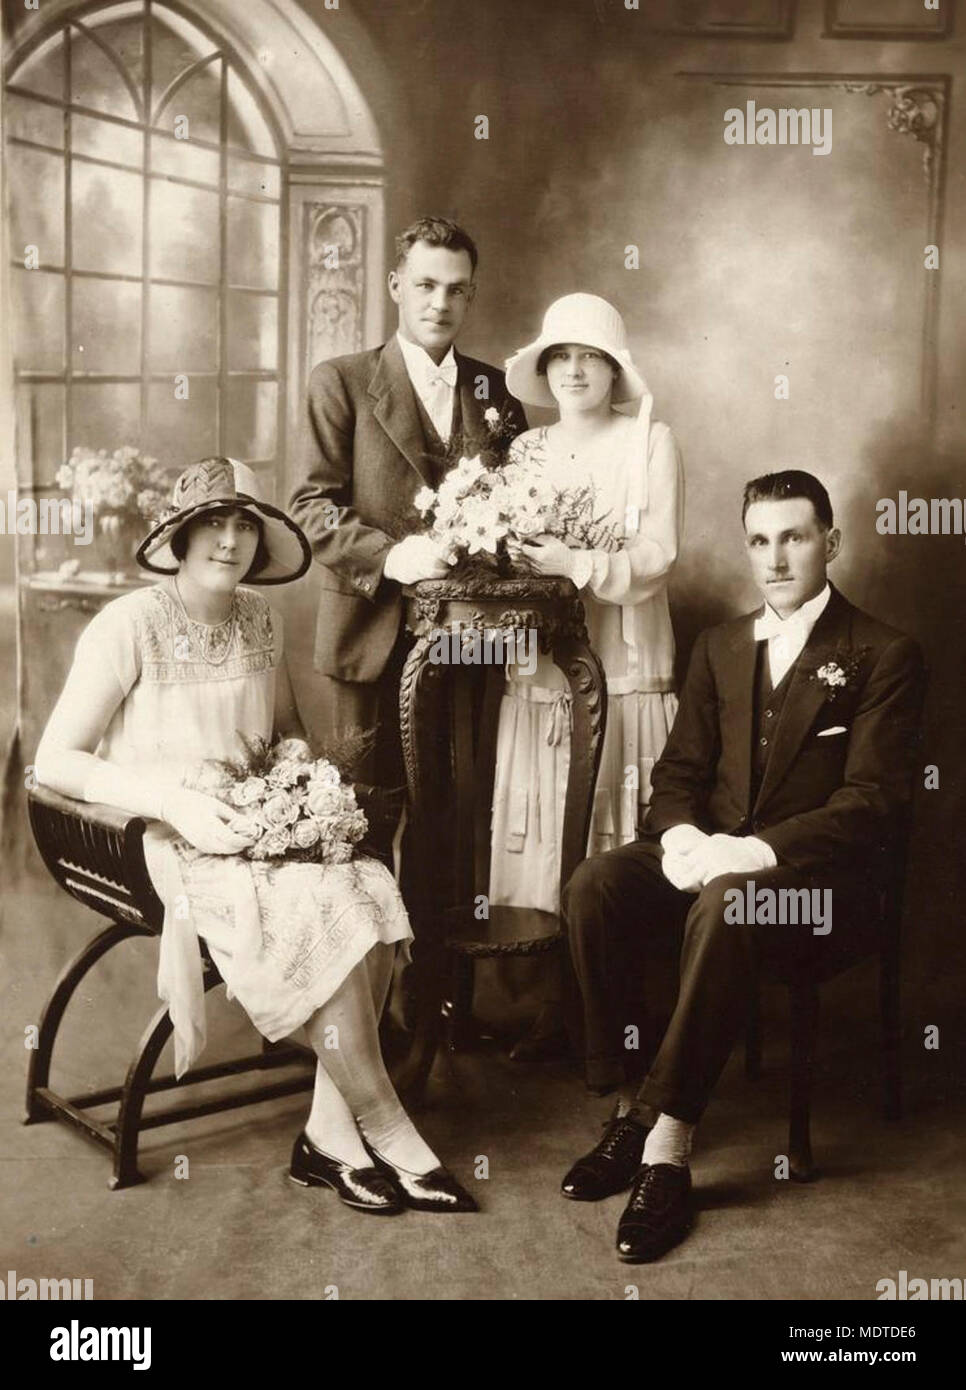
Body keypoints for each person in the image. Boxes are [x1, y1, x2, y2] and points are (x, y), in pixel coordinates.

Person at [34, 457, 477, 1216]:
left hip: (258, 826)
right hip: (160, 836)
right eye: (213, 523)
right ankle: (385, 1125)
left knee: (366, 883)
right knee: (321, 904)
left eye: (245, 525)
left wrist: (303, 789)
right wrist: (171, 798)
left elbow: (287, 734)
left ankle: (327, 1138)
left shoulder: (262, 620)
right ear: (179, 535)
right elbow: (55, 760)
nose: (231, 540)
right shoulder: (128, 625)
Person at [558, 470, 926, 1262]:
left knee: (732, 903)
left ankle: (669, 1147)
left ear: (831, 542)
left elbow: (873, 804)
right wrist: (685, 840)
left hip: (821, 891)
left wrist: (752, 852)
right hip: (714, 861)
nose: (776, 558)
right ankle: (626, 1107)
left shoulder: (883, 654)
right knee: (595, 885)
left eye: (794, 537)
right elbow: (677, 779)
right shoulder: (720, 646)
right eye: (760, 541)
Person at [488, 293, 683, 1059]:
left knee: (614, 836)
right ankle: (559, 1010)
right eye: (559, 357)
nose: (573, 370)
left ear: (613, 370)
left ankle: (623, 1018)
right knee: (549, 836)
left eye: (590, 357)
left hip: (623, 652)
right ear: (544, 369)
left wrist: (577, 562)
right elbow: (504, 553)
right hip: (543, 666)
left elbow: (660, 555)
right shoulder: (526, 451)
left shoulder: (650, 441)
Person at [289, 216, 528, 788]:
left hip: (474, 638)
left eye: (456, 289)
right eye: (425, 285)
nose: (440, 303)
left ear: (471, 295)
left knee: (458, 809)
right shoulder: (340, 381)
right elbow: (310, 506)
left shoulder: (498, 391)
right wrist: (394, 558)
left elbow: (519, 506)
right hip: (370, 634)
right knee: (366, 810)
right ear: (396, 285)